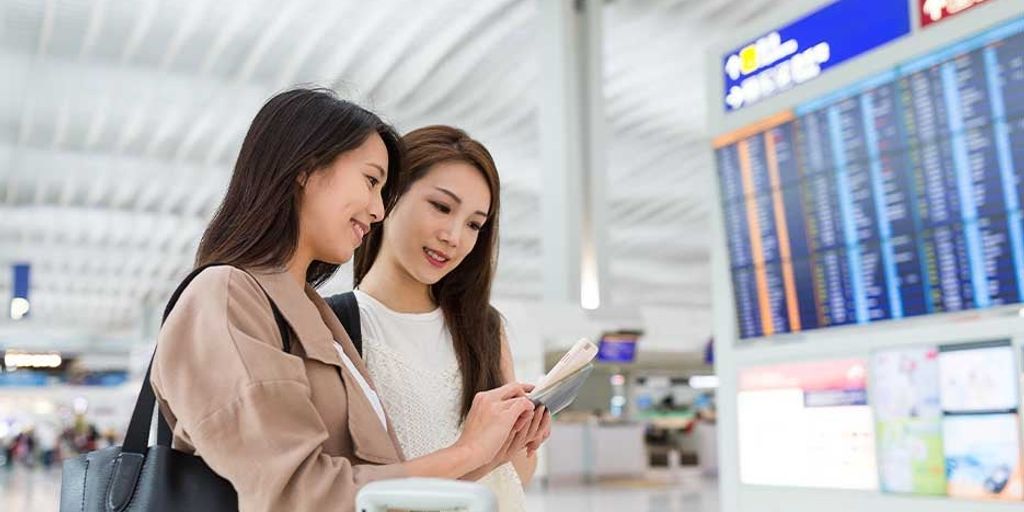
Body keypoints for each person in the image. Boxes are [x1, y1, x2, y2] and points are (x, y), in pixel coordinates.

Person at [150, 88, 536, 512]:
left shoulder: (310, 314)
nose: (377, 210)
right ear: (306, 168)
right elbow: (296, 493)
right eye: (371, 181)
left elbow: (372, 488)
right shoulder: (226, 297)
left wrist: (492, 453)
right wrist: (466, 451)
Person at [339, 125, 551, 511]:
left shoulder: (484, 328)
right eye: (441, 207)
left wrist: (519, 438)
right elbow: (343, 488)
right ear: (389, 195)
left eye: (474, 224)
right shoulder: (336, 325)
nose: (454, 236)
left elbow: (514, 478)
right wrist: (469, 449)